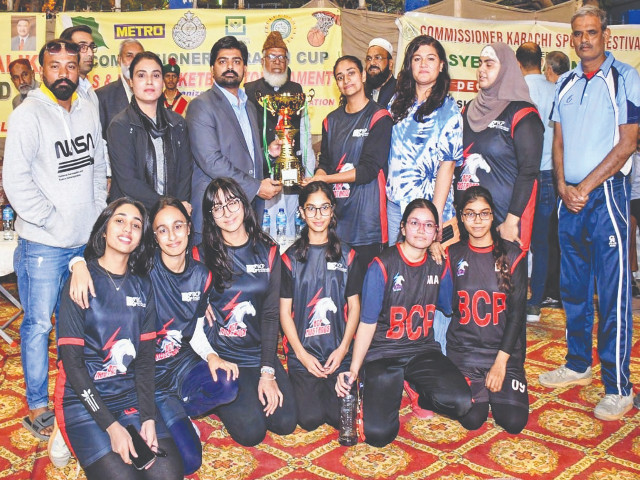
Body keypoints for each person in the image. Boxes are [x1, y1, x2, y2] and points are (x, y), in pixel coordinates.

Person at [66, 197, 239, 474]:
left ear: (188, 228)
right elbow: (109, 261)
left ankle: (180, 414)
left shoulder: (200, 275)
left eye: (178, 226)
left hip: (173, 369)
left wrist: (212, 355)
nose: (172, 236)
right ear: (154, 237)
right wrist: (77, 264)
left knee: (225, 386)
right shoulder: (143, 269)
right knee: (184, 462)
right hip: (141, 379)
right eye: (162, 229)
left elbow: (193, 328)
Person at [538, 5, 640, 421]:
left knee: (612, 292)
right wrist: (563, 187)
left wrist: (585, 187)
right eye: (578, 33)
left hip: (607, 198)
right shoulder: (564, 82)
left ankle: (618, 387)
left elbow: (628, 143)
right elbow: (557, 140)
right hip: (570, 200)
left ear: (607, 35)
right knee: (573, 288)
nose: (584, 40)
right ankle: (578, 363)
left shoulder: (626, 78)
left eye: (591, 32)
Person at [3, 39, 107, 441]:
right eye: (54, 66)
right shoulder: (29, 114)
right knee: (36, 326)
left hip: (84, 244)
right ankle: (38, 404)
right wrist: (51, 220)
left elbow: (98, 163)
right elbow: (15, 181)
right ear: (40, 69)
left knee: (77, 323)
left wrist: (96, 209)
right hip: (44, 245)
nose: (64, 72)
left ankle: (74, 393)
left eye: (70, 65)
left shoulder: (87, 106)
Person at [54, 198, 183, 479]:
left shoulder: (142, 285)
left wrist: (148, 417)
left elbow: (146, 360)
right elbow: (73, 367)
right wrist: (111, 427)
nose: (128, 229)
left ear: (141, 237)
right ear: (104, 229)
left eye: (136, 225)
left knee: (169, 474)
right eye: (120, 220)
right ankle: (62, 433)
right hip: (83, 399)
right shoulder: (80, 281)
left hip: (128, 395)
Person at [335, 199, 472, 447]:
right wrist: (354, 369)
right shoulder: (382, 265)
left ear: (436, 233)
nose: (421, 230)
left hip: (422, 350)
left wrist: (444, 263)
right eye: (415, 223)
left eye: (429, 225)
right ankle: (381, 385)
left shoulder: (437, 263)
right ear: (402, 227)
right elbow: (366, 323)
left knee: (461, 403)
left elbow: (447, 306)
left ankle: (417, 391)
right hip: (383, 353)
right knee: (379, 436)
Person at [193, 177, 297, 446]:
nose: (227, 213)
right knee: (252, 434)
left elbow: (271, 314)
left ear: (244, 203)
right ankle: (216, 395)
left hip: (257, 354)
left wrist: (267, 372)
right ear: (210, 216)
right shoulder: (200, 255)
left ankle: (249, 388)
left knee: (285, 423)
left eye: (232, 202)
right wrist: (198, 304)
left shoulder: (268, 251)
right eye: (217, 207)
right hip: (222, 357)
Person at [443, 186, 529, 434]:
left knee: (513, 422)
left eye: (484, 213)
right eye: (470, 214)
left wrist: (501, 363)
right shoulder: (452, 253)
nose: (477, 220)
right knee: (472, 420)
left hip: (503, 353)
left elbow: (516, 316)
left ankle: (501, 387)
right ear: (461, 217)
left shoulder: (513, 255)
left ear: (493, 216)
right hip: (465, 354)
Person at [280, 181, 363, 431]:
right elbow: (285, 313)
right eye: (311, 209)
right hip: (304, 353)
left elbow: (355, 308)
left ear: (333, 210)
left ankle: (353, 380)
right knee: (309, 419)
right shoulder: (289, 259)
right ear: (302, 213)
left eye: (324, 208)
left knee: (341, 419)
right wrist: (303, 357)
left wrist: (343, 350)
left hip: (337, 351)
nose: (318, 215)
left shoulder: (349, 256)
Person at [186, 36, 282, 244]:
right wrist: (256, 187)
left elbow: (247, 158)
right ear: (212, 69)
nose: (230, 67)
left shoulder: (249, 106)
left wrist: (269, 155)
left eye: (236, 61)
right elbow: (211, 161)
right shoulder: (201, 106)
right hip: (216, 213)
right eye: (223, 61)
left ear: (245, 68)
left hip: (247, 213)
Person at [303, 56, 393, 268]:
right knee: (339, 290)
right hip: (337, 218)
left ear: (362, 76)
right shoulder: (330, 120)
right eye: (340, 77)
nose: (346, 80)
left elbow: (368, 170)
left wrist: (326, 178)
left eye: (351, 73)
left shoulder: (379, 116)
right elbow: (325, 160)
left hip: (368, 221)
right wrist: (319, 175)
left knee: (367, 291)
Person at [456, 42, 543, 251]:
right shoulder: (467, 111)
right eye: (479, 63)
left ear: (506, 69)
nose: (481, 70)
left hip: (505, 222)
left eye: (489, 64)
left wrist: (512, 222)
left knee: (506, 283)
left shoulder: (523, 114)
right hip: (468, 221)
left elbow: (529, 172)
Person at [386, 35, 463, 246]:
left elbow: (447, 166)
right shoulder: (396, 102)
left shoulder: (448, 110)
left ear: (441, 66)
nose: (423, 64)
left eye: (430, 58)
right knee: (397, 270)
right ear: (410, 65)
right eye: (417, 58)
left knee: (427, 272)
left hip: (428, 209)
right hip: (395, 204)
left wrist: (435, 217)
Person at [245, 31, 315, 238]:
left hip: (291, 174)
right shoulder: (250, 90)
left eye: (282, 57)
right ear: (263, 59)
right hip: (262, 173)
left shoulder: (296, 89)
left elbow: (304, 133)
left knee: (290, 227)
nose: (277, 62)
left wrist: (308, 171)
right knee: (262, 229)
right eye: (272, 56)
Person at [106, 51, 192, 212]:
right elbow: (129, 182)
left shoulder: (177, 123)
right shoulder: (120, 126)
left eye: (156, 75)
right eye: (141, 75)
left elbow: (185, 174)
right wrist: (168, 206)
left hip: (172, 217)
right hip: (134, 216)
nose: (149, 82)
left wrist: (177, 208)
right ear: (131, 81)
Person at [515, 42, 559, 322]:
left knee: (513, 238)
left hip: (521, 176)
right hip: (550, 173)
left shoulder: (517, 91)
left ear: (518, 63)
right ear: (539, 61)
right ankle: (535, 302)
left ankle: (512, 299)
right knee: (541, 242)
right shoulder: (554, 90)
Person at [96, 39, 145, 137]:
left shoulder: (152, 94)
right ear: (119, 59)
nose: (134, 61)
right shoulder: (102, 96)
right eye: (129, 56)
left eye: (138, 57)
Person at [60, 25, 99, 113]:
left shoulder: (89, 90)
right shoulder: (63, 92)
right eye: (82, 47)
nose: (90, 53)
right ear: (67, 50)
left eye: (92, 47)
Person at [364, 37, 396, 108]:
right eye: (368, 59)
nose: (372, 63)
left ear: (390, 64)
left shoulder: (400, 91)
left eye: (378, 58)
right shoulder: (362, 92)